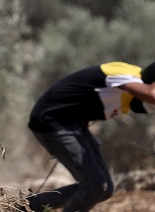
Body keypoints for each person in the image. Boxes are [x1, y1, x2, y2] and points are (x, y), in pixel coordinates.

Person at [25, 61, 155, 212]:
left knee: (104, 189)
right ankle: (26, 206)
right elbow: (151, 95)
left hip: (73, 126)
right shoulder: (124, 73)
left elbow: (149, 99)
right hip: (52, 121)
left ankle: (25, 206)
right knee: (95, 186)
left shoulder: (129, 97)